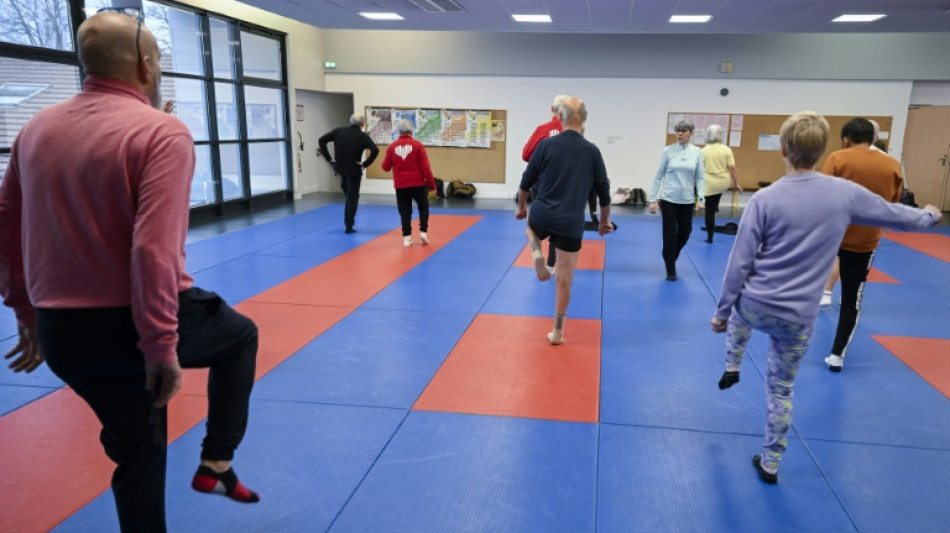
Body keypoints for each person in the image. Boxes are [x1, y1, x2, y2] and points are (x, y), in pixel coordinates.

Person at [0, 12, 261, 532]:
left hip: (63, 335)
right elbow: (154, 250)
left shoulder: (35, 129)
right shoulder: (162, 132)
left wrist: (26, 312)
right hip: (132, 325)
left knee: (138, 452)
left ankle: (191, 471)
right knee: (239, 338)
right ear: (146, 66)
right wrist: (160, 346)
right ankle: (217, 460)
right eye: (159, 60)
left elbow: (8, 223)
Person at [711, 111, 941, 484]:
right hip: (797, 318)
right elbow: (894, 214)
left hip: (756, 306)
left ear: (783, 149)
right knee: (781, 390)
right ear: (823, 152)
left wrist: (720, 312)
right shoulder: (843, 193)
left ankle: (733, 362)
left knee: (738, 310)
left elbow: (739, 263)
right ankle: (771, 462)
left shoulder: (764, 199)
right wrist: (928, 216)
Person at [515, 96, 612, 345]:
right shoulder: (592, 151)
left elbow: (526, 181)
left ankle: (536, 252)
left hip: (542, 213)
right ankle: (557, 332)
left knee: (531, 229)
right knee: (564, 278)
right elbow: (603, 193)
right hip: (570, 221)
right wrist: (604, 222)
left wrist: (521, 206)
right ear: (583, 119)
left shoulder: (546, 145)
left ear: (560, 117)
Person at [820, 118, 904, 372]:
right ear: (874, 139)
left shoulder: (838, 158)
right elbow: (892, 204)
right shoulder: (892, 165)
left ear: (845, 140)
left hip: (832, 235)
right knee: (851, 300)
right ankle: (837, 356)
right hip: (865, 241)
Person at [648, 119, 705, 281]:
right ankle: (670, 268)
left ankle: (671, 256)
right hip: (668, 199)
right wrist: (653, 199)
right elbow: (658, 176)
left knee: (685, 233)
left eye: (684, 131)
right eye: (677, 131)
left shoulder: (697, 152)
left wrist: (701, 198)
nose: (680, 134)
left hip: (687, 200)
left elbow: (700, 177)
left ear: (691, 133)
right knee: (669, 235)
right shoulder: (667, 151)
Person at [523, 94, 568, 271]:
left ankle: (538, 255)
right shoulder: (573, 133)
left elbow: (526, 154)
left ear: (552, 109)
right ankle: (551, 263)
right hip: (563, 184)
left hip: (541, 183)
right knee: (559, 223)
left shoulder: (542, 130)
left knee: (539, 219)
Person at [318, 113, 379, 233]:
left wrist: (329, 158)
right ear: (362, 124)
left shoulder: (339, 131)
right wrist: (365, 164)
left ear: (350, 121)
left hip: (340, 168)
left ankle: (347, 197)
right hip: (354, 169)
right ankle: (349, 225)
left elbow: (321, 140)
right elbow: (375, 150)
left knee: (347, 192)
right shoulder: (362, 136)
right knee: (352, 197)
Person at [381, 119, 437, 246]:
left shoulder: (392, 147)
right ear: (411, 131)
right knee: (423, 207)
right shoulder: (418, 146)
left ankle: (407, 238)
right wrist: (432, 184)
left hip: (401, 185)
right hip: (417, 184)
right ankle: (423, 232)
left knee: (405, 211)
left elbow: (385, 167)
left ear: (399, 132)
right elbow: (426, 168)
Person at [700, 124, 741, 243]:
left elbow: (699, 170)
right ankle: (715, 204)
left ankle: (710, 237)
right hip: (723, 182)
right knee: (715, 198)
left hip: (709, 182)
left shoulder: (703, 151)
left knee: (709, 211)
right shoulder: (726, 149)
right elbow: (732, 168)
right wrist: (737, 183)